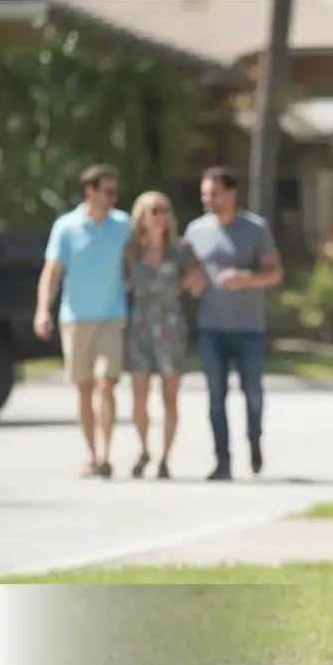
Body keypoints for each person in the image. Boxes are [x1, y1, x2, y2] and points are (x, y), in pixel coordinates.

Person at [182, 167, 283, 481]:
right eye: (204, 194)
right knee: (215, 396)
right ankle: (222, 460)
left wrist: (246, 278)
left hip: (249, 329)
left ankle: (254, 439)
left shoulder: (254, 229)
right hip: (211, 327)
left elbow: (275, 274)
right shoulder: (196, 230)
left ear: (231, 193)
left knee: (253, 392)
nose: (207, 199)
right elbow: (187, 272)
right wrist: (192, 281)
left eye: (213, 193)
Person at [34, 164, 134, 479]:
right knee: (84, 388)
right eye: (107, 191)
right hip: (75, 318)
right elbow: (52, 271)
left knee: (107, 385)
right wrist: (42, 310)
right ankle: (91, 455)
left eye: (114, 191)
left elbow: (139, 257)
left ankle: (106, 454)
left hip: (111, 317)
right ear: (90, 192)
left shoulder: (122, 225)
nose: (112, 197)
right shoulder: (66, 227)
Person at [123, 191, 207, 479]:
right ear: (142, 217)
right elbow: (120, 282)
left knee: (170, 396)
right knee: (138, 395)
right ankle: (144, 448)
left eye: (164, 210)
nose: (160, 216)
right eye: (154, 211)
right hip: (140, 327)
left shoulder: (181, 250)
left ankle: (165, 457)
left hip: (171, 328)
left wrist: (194, 281)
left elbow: (197, 279)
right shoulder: (131, 251)